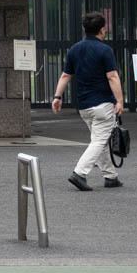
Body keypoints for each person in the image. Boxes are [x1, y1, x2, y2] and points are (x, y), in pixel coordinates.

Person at [54, 10, 126, 191]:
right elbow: (112, 77)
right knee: (99, 141)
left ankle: (111, 176)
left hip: (84, 106)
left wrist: (57, 97)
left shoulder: (75, 49)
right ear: (102, 30)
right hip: (103, 103)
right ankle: (79, 173)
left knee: (99, 140)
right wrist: (119, 100)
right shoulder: (105, 50)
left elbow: (65, 75)